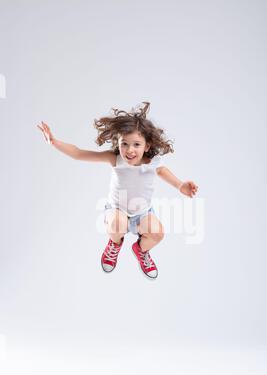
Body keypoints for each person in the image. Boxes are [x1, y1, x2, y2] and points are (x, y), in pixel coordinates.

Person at [37, 101, 198, 280]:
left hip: (142, 213)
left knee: (158, 233)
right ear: (118, 143)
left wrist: (181, 185)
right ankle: (114, 244)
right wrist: (54, 142)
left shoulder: (153, 163)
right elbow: (79, 153)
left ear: (147, 146)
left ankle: (140, 251)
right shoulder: (115, 159)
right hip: (117, 210)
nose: (129, 150)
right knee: (117, 225)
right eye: (124, 144)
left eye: (136, 144)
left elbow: (165, 173)